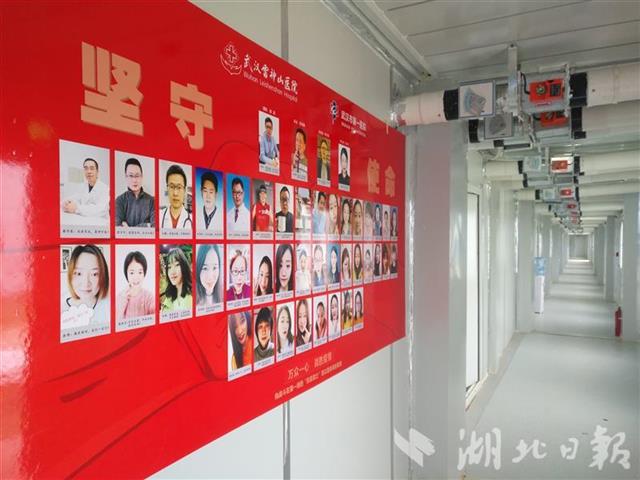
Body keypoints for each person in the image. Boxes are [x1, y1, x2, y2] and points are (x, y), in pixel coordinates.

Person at [61, 244, 109, 319]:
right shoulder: (60, 309)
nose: (86, 283)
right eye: (79, 273)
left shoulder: (108, 307)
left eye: (94, 274)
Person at [115, 158, 155, 228]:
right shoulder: (119, 200)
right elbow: (117, 227)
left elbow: (154, 226)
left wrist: (129, 229)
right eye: (131, 176)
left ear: (142, 177)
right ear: (126, 177)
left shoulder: (152, 201)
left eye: (137, 175)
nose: (134, 180)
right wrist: (146, 225)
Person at [117, 250, 155, 319]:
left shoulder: (149, 297)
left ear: (144, 274)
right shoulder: (120, 297)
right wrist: (123, 301)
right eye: (132, 273)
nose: (136, 277)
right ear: (126, 274)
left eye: (140, 272)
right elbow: (116, 320)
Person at [160, 164, 192, 229]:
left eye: (179, 187)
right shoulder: (159, 216)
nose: (175, 193)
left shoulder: (192, 220)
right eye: (171, 187)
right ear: (167, 189)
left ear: (185, 190)